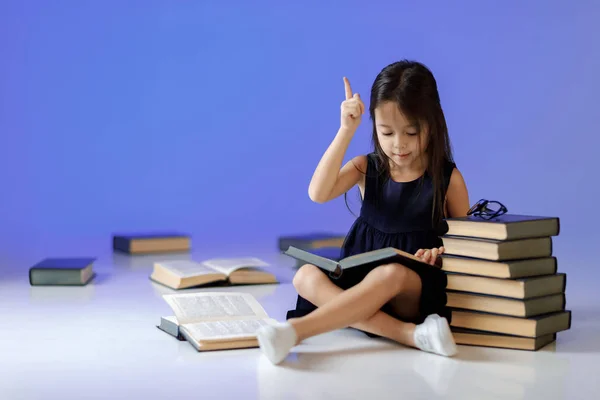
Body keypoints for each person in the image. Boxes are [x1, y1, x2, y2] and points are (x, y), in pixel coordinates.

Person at [256, 60, 470, 364]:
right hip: (359, 282)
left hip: (409, 290)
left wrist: (439, 251)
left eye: (411, 132)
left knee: (390, 273)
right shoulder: (366, 167)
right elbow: (318, 193)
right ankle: (410, 335)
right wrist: (346, 130)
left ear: (432, 124)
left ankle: (295, 332)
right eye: (386, 133)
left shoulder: (448, 179)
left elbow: (473, 245)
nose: (398, 144)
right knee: (304, 275)